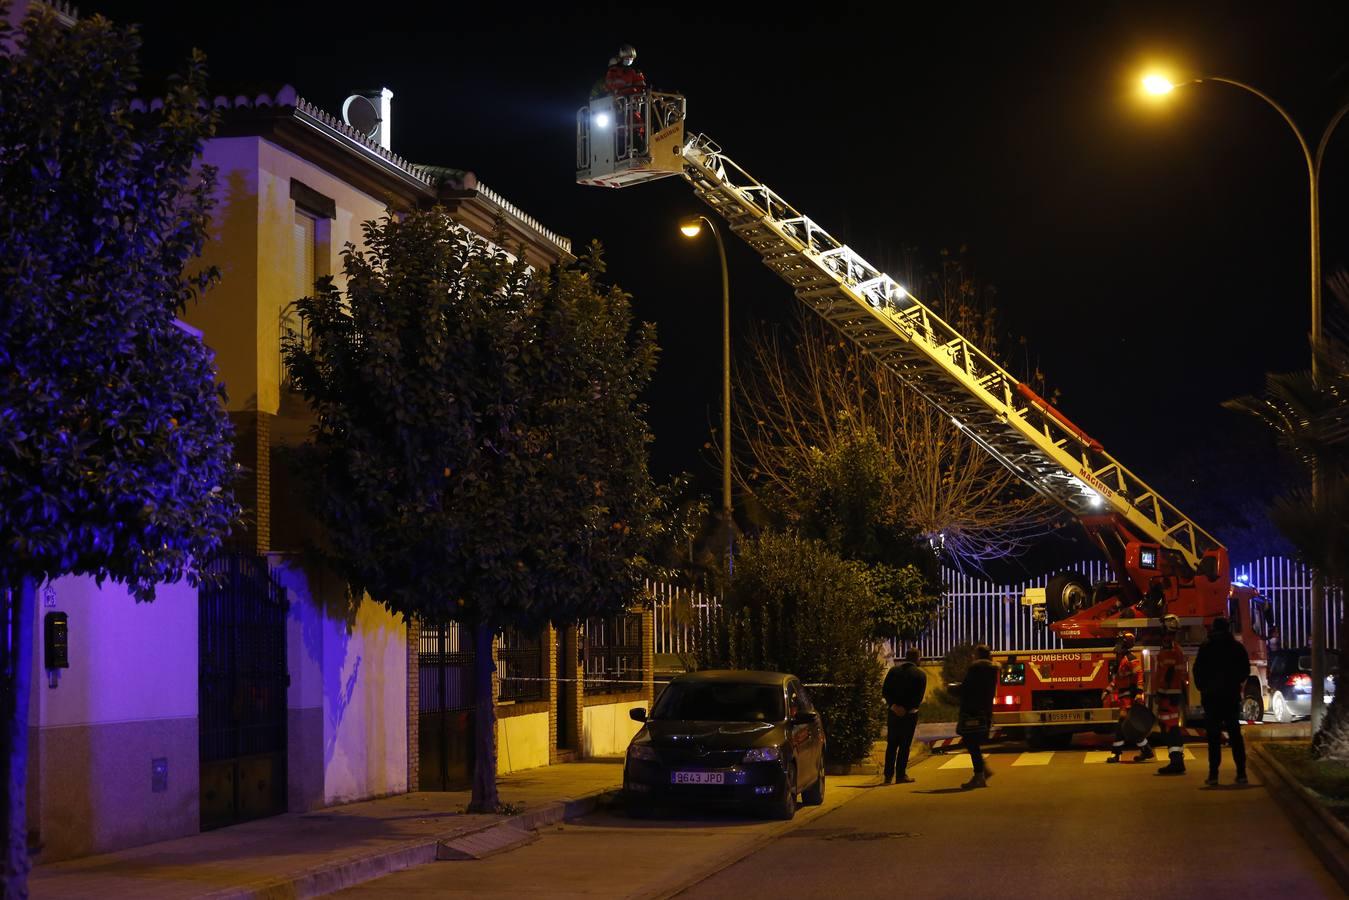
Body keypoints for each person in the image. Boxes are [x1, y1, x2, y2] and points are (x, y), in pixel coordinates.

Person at [1193, 616, 1250, 786]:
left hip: (1211, 698)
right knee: (1235, 736)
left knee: (1213, 737)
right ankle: (1241, 773)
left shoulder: (1206, 648)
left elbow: (1197, 671)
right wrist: (1234, 683)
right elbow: (1244, 670)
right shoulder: (1236, 647)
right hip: (1230, 696)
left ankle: (1213, 775)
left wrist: (1204, 688)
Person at [953, 644, 998, 789]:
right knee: (973, 742)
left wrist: (952, 688)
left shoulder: (976, 669)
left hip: (971, 712)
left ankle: (980, 775)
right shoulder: (992, 670)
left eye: (975, 654)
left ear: (978, 655)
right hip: (985, 711)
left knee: (970, 741)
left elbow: (967, 689)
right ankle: (982, 771)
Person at [1107, 631, 1155, 763]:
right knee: (1130, 727)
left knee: (1122, 725)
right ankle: (1146, 750)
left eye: (1119, 641)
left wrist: (1139, 692)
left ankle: (1116, 754)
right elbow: (1118, 679)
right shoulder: (1122, 659)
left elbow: (1139, 675)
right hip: (1124, 696)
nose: (1117, 644)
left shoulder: (1130, 659)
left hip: (1129, 696)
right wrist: (1108, 690)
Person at [881, 647, 927, 784]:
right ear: (917, 658)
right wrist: (906, 709)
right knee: (905, 746)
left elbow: (885, 691)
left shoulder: (893, 671)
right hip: (910, 715)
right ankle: (901, 775)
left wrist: (894, 706)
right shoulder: (920, 675)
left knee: (892, 745)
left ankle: (888, 776)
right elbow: (918, 697)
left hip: (893, 713)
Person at [1153, 614, 1190, 775]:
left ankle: (1176, 762)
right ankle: (1176, 760)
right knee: (1169, 726)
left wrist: (1159, 694)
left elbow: (1167, 676)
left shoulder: (1172, 650)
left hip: (1169, 695)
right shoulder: (1172, 648)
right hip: (1171, 694)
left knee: (1171, 727)